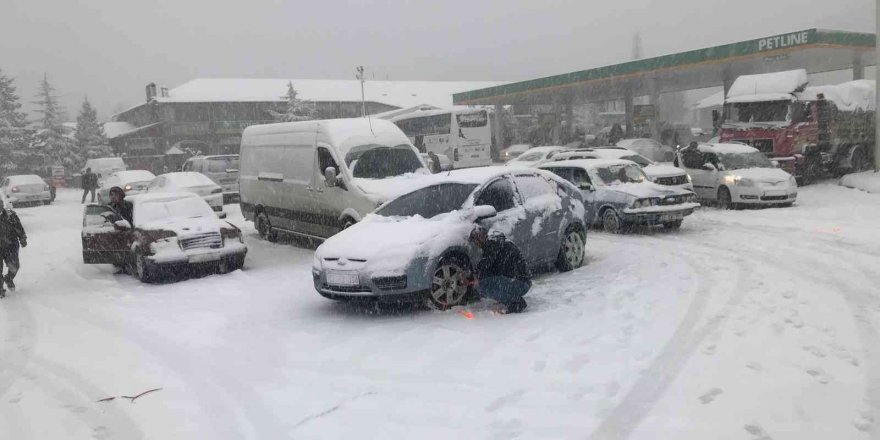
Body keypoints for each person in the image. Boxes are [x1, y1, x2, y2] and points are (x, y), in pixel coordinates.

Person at [468, 226, 531, 314]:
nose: (476, 245)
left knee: (483, 287)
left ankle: (517, 303)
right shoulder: (497, 243)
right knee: (487, 282)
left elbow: (485, 265)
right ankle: (509, 297)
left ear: (480, 238)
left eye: (475, 242)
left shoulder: (492, 245)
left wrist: (472, 277)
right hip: (522, 281)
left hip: (520, 283)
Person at [0, 205, 27, 297]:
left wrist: (22, 238)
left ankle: (8, 278)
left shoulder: (10, 215)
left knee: (14, 266)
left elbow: (19, 227)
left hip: (10, 245)